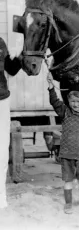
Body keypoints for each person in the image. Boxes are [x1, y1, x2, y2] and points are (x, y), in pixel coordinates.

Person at [47, 72, 79, 214]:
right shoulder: (65, 112)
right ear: (68, 100)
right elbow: (55, 102)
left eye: (78, 101)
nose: (75, 104)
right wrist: (51, 87)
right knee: (68, 181)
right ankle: (68, 204)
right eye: (72, 101)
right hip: (67, 155)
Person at [0, 37, 22, 209]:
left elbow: (11, 69)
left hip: (1, 100)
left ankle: (0, 195)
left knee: (1, 148)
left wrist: (21, 57)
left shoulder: (0, 42)